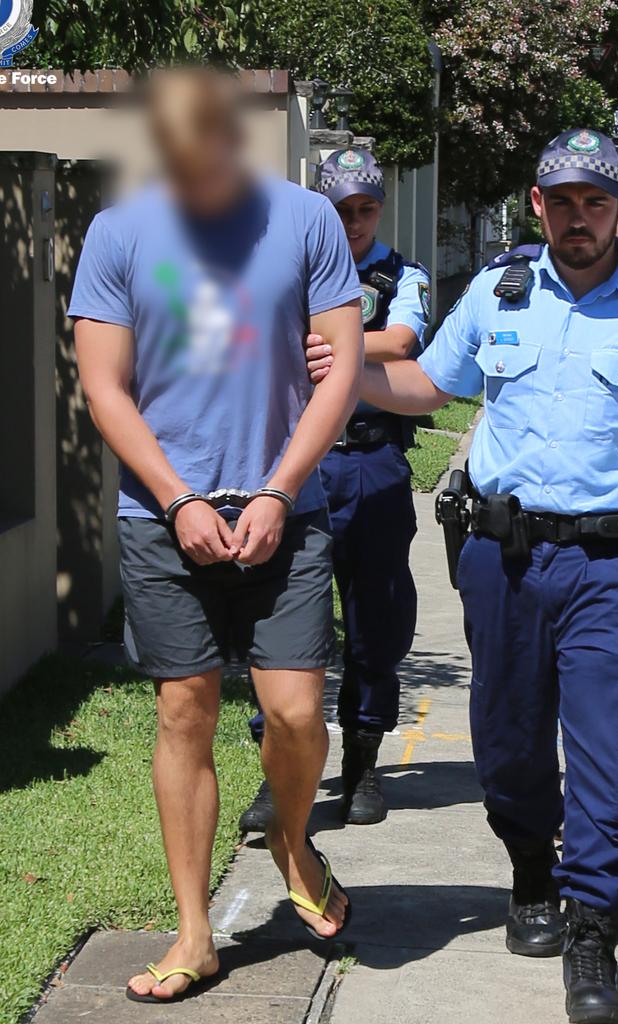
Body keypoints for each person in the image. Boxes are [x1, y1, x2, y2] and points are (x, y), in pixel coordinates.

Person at [307, 130, 618, 1023]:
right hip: (503, 558)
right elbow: (429, 387)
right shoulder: (498, 293)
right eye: (563, 202)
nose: (580, 218)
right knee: (509, 743)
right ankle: (529, 870)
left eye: (597, 202)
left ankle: (593, 920)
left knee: (608, 743)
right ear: (538, 205)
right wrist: (349, 369)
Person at [69, 68, 364, 1003]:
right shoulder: (120, 234)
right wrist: (177, 499)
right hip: (165, 517)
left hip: (287, 508)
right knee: (183, 714)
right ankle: (195, 933)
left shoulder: (306, 220)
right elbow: (105, 386)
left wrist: (280, 489)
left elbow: (342, 367)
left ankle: (289, 832)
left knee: (295, 713)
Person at [240, 148, 430, 830]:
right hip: (295, 464)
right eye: (340, 209)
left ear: (379, 206)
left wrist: (332, 341)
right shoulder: (283, 267)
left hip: (371, 463)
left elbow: (404, 339)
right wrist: (341, 338)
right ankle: (278, 776)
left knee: (374, 620)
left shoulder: (403, 274)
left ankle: (363, 763)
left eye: (365, 209)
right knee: (282, 621)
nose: (352, 222)